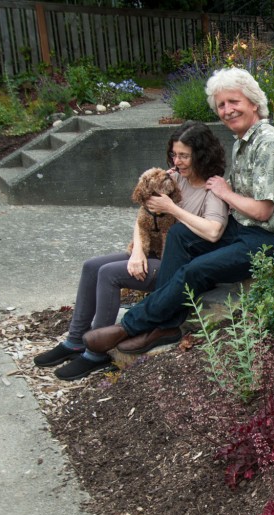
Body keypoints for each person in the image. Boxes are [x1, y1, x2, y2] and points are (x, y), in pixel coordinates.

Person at [83, 67, 274, 356]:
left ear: (254, 103)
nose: (227, 110)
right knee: (180, 234)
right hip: (246, 228)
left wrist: (225, 192)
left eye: (234, 102)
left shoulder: (269, 144)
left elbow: (264, 211)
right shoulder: (244, 141)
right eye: (221, 105)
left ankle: (130, 325)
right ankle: (165, 325)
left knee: (197, 270)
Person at [34, 122, 229, 380]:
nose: (177, 161)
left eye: (184, 155)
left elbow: (214, 231)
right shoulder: (172, 178)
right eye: (174, 154)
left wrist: (171, 208)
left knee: (109, 274)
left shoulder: (213, 188)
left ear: (201, 155)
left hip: (180, 267)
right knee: (92, 266)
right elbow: (143, 217)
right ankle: (75, 341)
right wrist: (138, 250)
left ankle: (96, 353)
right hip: (153, 253)